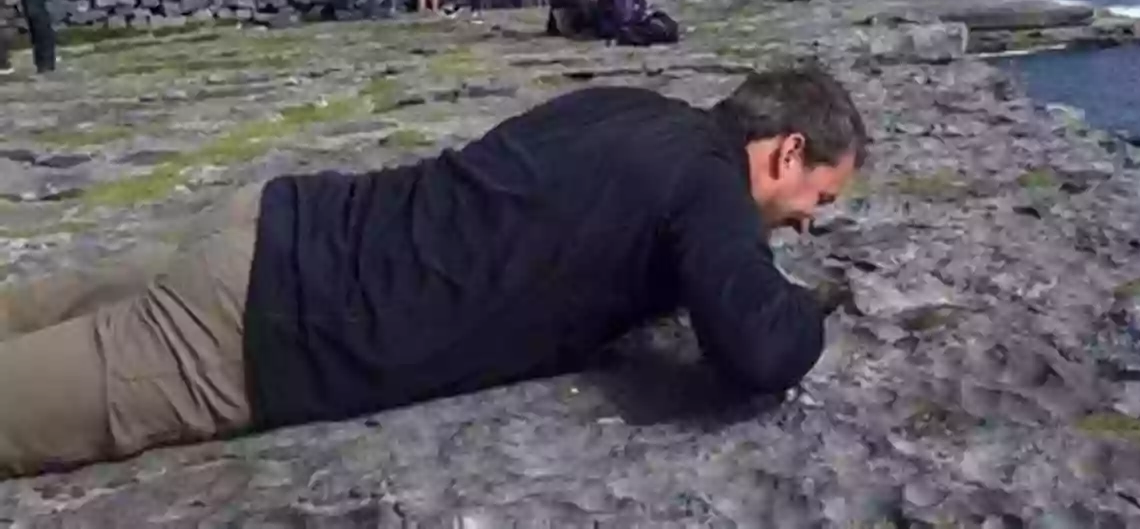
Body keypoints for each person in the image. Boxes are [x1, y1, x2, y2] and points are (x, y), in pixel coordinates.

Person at [0, 64, 867, 480]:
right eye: (819, 196)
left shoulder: (633, 109)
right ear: (787, 148)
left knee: (29, 313)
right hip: (259, 327)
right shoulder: (707, 186)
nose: (809, 220)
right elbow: (759, 349)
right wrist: (815, 303)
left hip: (275, 225)